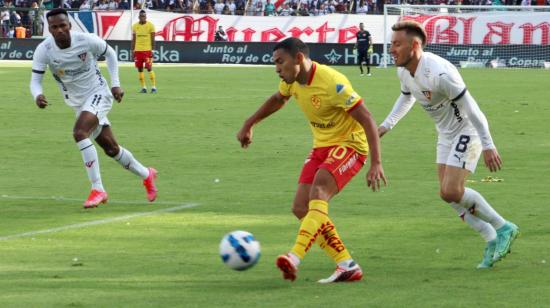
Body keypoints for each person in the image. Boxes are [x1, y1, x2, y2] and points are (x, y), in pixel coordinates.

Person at [237, 37, 386, 283]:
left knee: (318, 191)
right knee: (301, 208)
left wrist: (376, 162)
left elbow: (367, 118)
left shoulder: (332, 82)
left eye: (280, 62)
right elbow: (278, 99)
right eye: (274, 63)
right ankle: (346, 264)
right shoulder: (292, 81)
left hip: (350, 145)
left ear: (298, 58)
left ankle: (294, 256)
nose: (276, 69)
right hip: (321, 147)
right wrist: (249, 122)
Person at [378, 20, 519, 269]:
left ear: (415, 45)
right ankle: (490, 238)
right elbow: (406, 97)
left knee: (452, 191)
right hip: (445, 134)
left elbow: (472, 109)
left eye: (397, 44)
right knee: (448, 196)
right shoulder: (403, 71)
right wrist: (386, 126)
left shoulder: (440, 73)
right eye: (392, 44)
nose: (392, 49)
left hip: (467, 130)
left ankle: (503, 227)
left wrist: (488, 144)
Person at [30, 8, 158, 208]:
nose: (60, 30)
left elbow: (111, 54)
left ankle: (98, 188)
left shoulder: (86, 40)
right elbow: (35, 81)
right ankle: (147, 174)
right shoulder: (44, 50)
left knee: (80, 133)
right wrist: (37, 95)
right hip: (78, 103)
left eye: (63, 25)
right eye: (54, 27)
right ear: (50, 29)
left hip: (99, 94)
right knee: (111, 149)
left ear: (69, 26)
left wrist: (115, 83)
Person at [131, 10, 157, 93]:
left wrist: (153, 50)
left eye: (144, 16)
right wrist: (132, 51)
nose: (142, 17)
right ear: (139, 17)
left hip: (147, 51)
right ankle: (144, 88)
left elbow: (153, 39)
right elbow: (134, 39)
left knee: (149, 68)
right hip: (138, 51)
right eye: (141, 16)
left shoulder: (150, 26)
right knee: (139, 69)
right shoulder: (135, 26)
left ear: (146, 17)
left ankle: (153, 87)